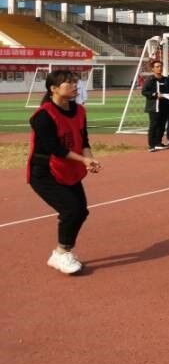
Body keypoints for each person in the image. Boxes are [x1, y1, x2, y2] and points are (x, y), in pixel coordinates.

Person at [28, 70, 101, 275]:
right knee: (71, 210)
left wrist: (89, 159)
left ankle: (61, 253)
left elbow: (83, 140)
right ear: (53, 89)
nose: (75, 86)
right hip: (44, 172)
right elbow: (55, 148)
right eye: (69, 83)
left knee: (81, 211)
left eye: (75, 82)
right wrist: (83, 160)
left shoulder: (80, 111)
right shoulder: (43, 115)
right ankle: (61, 253)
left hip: (68, 169)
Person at [141, 60, 169, 152]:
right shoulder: (150, 79)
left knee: (162, 125)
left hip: (165, 106)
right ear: (152, 69)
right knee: (154, 125)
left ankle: (158, 143)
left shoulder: (165, 79)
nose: (159, 68)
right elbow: (144, 92)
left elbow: (167, 90)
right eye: (157, 66)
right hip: (154, 106)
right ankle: (151, 145)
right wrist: (155, 94)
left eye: (160, 66)